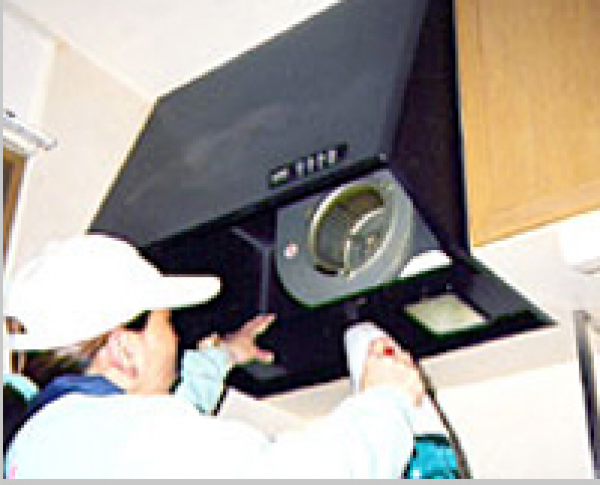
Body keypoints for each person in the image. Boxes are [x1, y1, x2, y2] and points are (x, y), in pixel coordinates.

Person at [3, 234, 427, 479]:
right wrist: (386, 402)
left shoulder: (42, 441)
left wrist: (224, 355)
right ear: (124, 349)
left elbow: (165, 428)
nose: (175, 338)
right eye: (166, 323)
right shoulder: (129, 437)